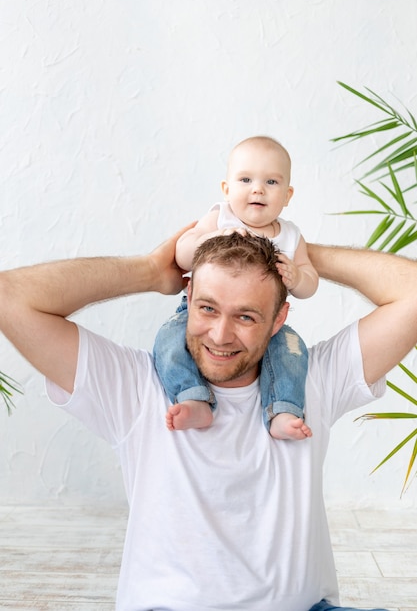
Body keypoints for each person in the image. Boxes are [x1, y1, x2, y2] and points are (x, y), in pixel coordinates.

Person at [1, 227, 415, 611]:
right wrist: (147, 271)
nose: (220, 334)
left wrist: (300, 252)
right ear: (187, 296)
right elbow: (10, 296)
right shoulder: (135, 386)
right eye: (207, 308)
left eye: (246, 316)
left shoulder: (311, 379)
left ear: (278, 320)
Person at [154, 135, 319, 439]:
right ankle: (193, 396)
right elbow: (182, 252)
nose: (257, 188)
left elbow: (310, 282)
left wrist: (297, 276)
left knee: (291, 353)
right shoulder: (221, 216)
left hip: (263, 324)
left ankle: (283, 410)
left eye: (271, 182)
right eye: (245, 179)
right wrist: (210, 238)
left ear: (288, 195)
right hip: (198, 312)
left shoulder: (292, 236)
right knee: (168, 339)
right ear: (227, 189)